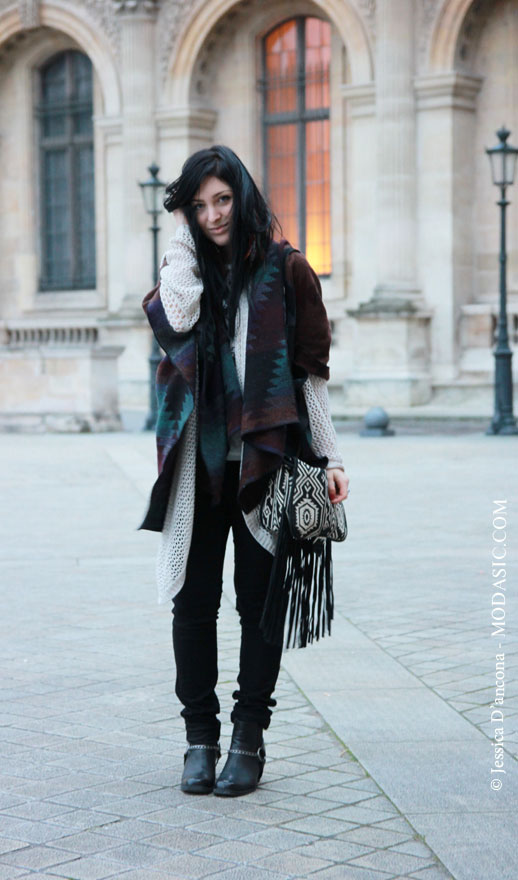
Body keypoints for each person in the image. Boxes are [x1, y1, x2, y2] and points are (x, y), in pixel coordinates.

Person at [141, 145, 349, 797]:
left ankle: (248, 738)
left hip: (268, 460)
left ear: (244, 195)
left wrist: (333, 455)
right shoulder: (189, 270)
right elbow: (173, 319)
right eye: (197, 206)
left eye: (222, 200)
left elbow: (309, 378)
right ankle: (199, 739)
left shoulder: (286, 271)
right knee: (192, 600)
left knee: (259, 606)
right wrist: (182, 244)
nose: (212, 215)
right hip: (196, 468)